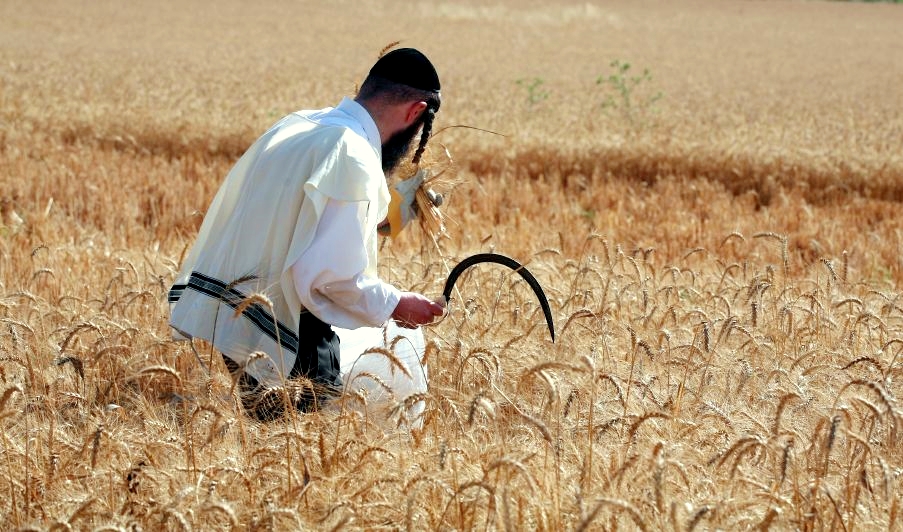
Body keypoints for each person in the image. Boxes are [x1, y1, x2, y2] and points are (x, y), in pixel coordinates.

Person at [168, 48, 446, 420]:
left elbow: (294, 222)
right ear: (415, 113)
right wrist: (397, 305)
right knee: (301, 453)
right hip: (287, 329)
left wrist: (388, 215)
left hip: (238, 315)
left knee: (269, 439)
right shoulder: (352, 155)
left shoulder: (299, 124)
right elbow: (327, 277)